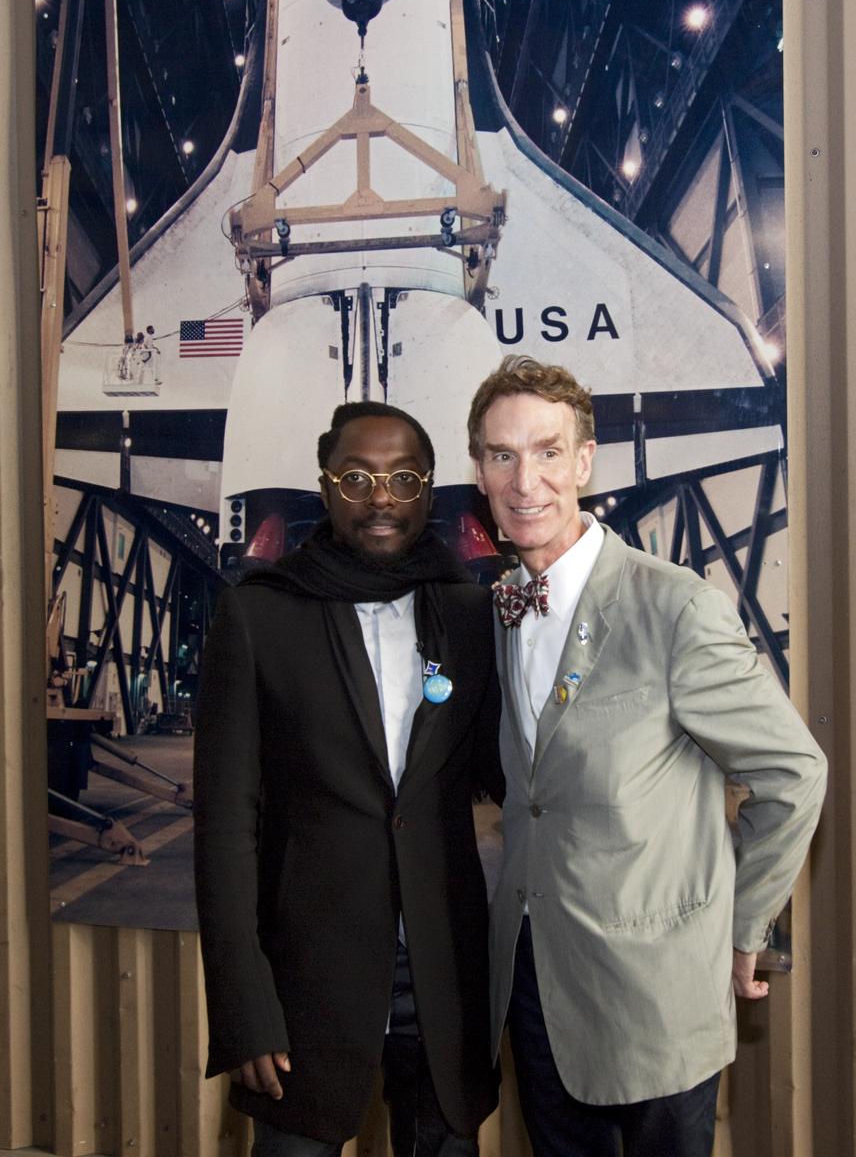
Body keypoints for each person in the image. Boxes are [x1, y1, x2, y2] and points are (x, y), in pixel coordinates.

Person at [466, 355, 827, 1157]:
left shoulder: (674, 606)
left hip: (656, 993)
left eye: (548, 452)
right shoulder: (500, 609)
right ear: (480, 474)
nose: (525, 481)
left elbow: (794, 773)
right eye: (502, 455)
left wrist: (743, 927)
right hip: (535, 985)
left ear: (584, 463)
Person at [194, 401, 504, 1157]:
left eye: (404, 478)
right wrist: (242, 1003)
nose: (381, 498)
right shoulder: (260, 616)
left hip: (443, 976)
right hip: (307, 980)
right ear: (325, 488)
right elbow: (226, 826)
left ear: (429, 491)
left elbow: (511, 776)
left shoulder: (472, 615)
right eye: (358, 478)